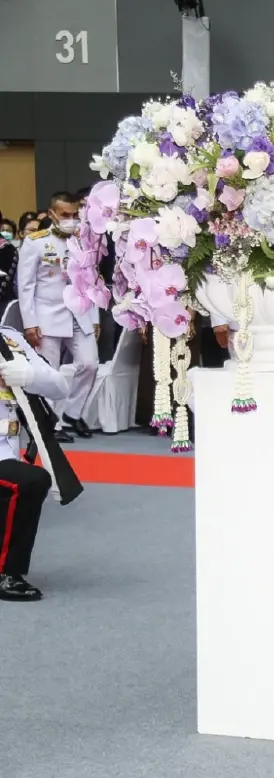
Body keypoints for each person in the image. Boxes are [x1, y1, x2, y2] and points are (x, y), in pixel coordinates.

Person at [17, 192, 100, 442]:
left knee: (90, 364)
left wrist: (94, 315)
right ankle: (51, 424)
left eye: (75, 214)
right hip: (47, 315)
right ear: (52, 214)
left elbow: (90, 280)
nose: (71, 219)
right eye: (66, 215)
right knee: (50, 373)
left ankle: (73, 413)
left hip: (79, 313)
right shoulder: (36, 241)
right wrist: (29, 323)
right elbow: (25, 286)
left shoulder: (83, 241)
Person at [0, 326, 72, 601]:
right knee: (29, 481)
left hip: (8, 451)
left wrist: (29, 377)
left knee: (22, 479)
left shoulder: (11, 338)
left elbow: (60, 386)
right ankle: (6, 572)